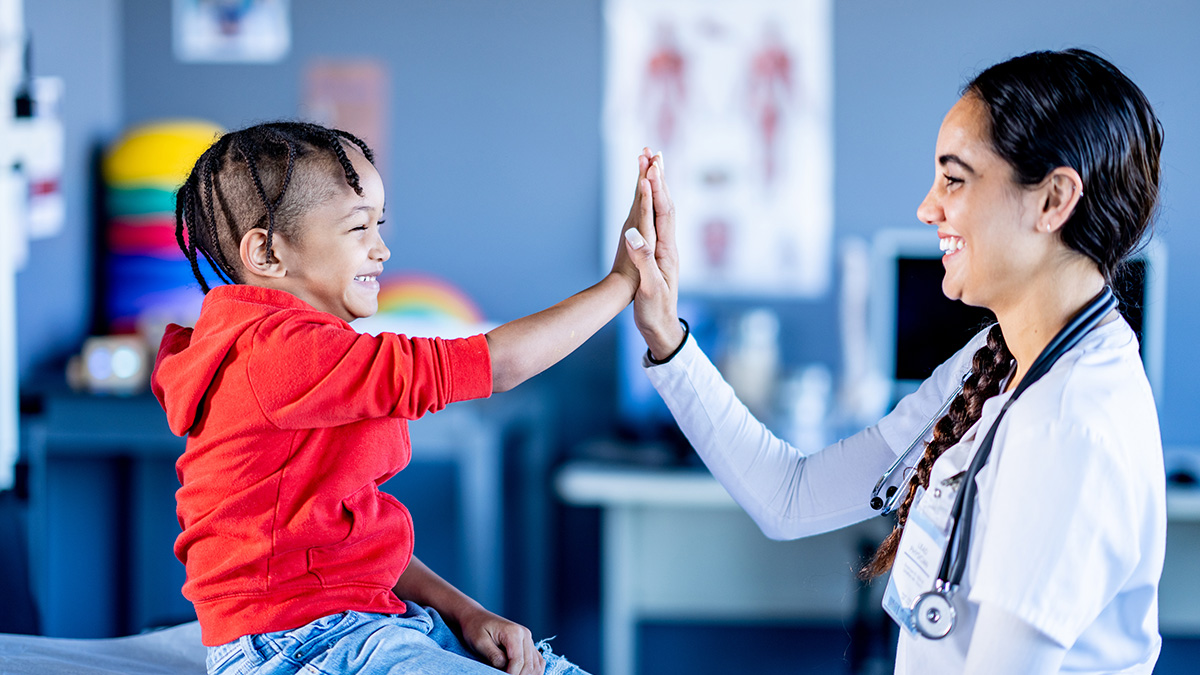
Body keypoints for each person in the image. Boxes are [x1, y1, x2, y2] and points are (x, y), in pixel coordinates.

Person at [622, 48, 1165, 673]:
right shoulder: (997, 364)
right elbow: (790, 498)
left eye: (954, 179)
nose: (927, 207)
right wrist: (664, 332)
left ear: (1052, 200)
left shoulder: (1068, 426)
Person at [151, 121, 661, 675]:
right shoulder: (278, 353)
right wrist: (620, 284)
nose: (382, 248)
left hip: (362, 624)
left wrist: (467, 614)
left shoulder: (281, 348)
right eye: (357, 229)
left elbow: (352, 541)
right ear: (269, 252)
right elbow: (499, 363)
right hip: (302, 645)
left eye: (380, 225)